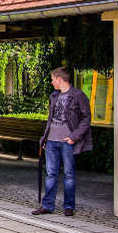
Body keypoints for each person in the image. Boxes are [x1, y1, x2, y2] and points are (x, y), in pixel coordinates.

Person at [32, 67, 93, 217]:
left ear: (60, 79)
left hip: (67, 142)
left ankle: (69, 207)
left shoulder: (78, 96)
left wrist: (74, 137)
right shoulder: (53, 96)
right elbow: (50, 120)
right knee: (50, 174)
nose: (52, 82)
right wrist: (44, 138)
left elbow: (86, 119)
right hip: (51, 141)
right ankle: (47, 206)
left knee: (69, 175)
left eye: (53, 79)